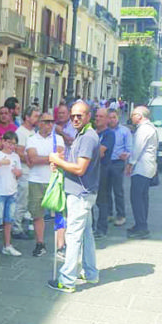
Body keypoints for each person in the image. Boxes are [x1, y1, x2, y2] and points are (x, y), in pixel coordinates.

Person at [47, 102, 101, 293]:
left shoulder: (87, 137)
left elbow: (80, 168)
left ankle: (67, 280)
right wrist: (61, 161)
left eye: (80, 115)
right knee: (86, 235)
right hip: (84, 193)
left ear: (88, 116)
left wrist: (58, 161)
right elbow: (75, 163)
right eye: (73, 116)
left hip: (80, 193)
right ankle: (91, 273)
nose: (75, 119)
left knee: (74, 236)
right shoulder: (83, 134)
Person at [26, 113, 64, 256]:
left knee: (60, 212)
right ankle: (40, 243)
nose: (49, 124)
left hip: (54, 180)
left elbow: (60, 157)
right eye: (46, 121)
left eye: (51, 121)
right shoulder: (32, 139)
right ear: (39, 123)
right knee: (37, 214)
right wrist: (52, 158)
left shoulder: (58, 138)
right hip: (36, 180)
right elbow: (33, 158)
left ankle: (61, 246)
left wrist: (50, 158)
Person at [0, 131, 23, 260]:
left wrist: (18, 172)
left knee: (9, 220)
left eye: (13, 144)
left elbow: (19, 173)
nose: (11, 146)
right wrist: (0, 163)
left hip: (12, 192)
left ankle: (7, 246)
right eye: (8, 142)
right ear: (3, 142)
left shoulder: (16, 157)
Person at [126, 106, 158, 239]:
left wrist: (130, 164)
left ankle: (142, 227)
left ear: (140, 116)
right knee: (143, 198)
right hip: (147, 167)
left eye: (133, 114)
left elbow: (138, 148)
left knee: (137, 198)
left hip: (141, 168)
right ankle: (140, 223)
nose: (131, 117)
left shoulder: (144, 129)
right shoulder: (150, 128)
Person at [12, 106, 40, 239]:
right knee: (21, 200)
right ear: (27, 117)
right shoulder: (21, 132)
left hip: (32, 171)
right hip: (24, 171)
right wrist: (30, 160)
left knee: (29, 199)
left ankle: (27, 225)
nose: (37, 119)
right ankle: (16, 228)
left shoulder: (34, 132)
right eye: (35, 116)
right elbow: (19, 151)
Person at [108, 110, 132, 226]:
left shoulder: (124, 131)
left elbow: (129, 148)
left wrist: (126, 156)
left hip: (118, 163)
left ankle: (121, 215)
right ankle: (108, 213)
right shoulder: (104, 130)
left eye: (114, 117)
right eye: (110, 117)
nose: (112, 120)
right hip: (105, 162)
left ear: (117, 118)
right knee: (105, 190)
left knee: (118, 190)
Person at [94, 108, 115, 239]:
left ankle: (102, 228)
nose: (97, 118)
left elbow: (100, 152)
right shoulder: (92, 132)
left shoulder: (109, 134)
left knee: (102, 200)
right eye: (96, 116)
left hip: (103, 170)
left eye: (101, 116)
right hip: (91, 170)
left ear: (107, 119)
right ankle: (90, 227)